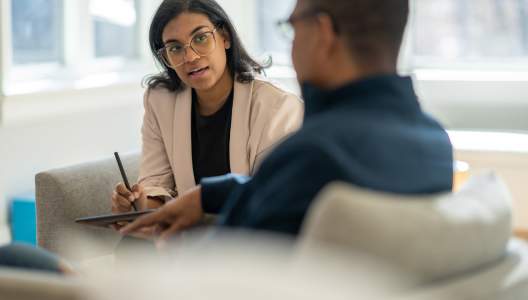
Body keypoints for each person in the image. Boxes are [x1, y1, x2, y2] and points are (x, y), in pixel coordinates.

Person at [121, 0, 454, 242]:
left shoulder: (314, 153)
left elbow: (235, 262)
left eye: (292, 29)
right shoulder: (434, 142)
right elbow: (277, 188)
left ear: (322, 33)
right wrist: (209, 196)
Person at [111, 0, 304, 217]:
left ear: (225, 37)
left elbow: (268, 200)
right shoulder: (160, 100)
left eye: (200, 38)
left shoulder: (278, 107)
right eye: (175, 48)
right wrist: (138, 206)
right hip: (185, 241)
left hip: (247, 242)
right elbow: (156, 186)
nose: (191, 57)